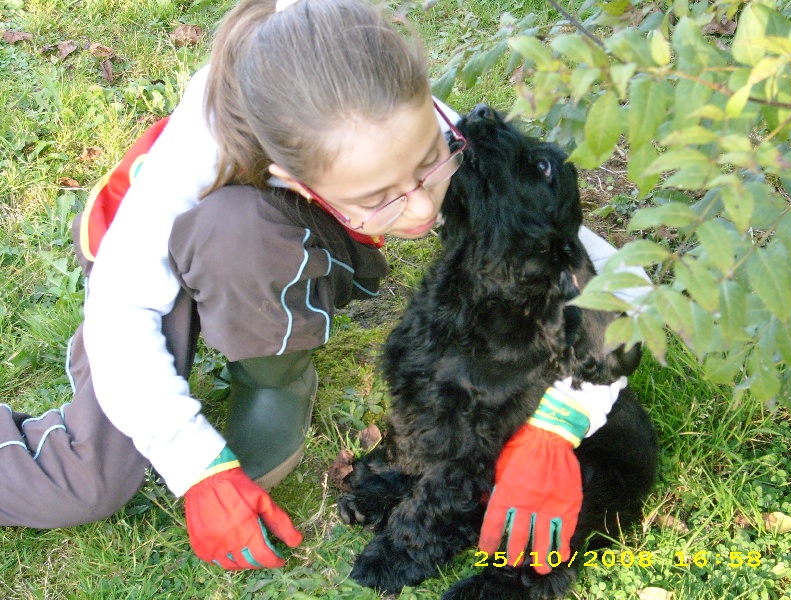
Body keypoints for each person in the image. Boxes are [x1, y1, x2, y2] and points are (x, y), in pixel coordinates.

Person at [0, 0, 643, 575]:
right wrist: (195, 467)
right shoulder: (195, 157)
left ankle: (273, 372)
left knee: (256, 233)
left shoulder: (398, 110)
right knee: (89, 482)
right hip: (159, 262)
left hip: (286, 245)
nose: (420, 212)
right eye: (379, 197)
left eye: (428, 165)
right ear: (295, 177)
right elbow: (121, 313)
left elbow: (616, 279)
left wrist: (555, 425)